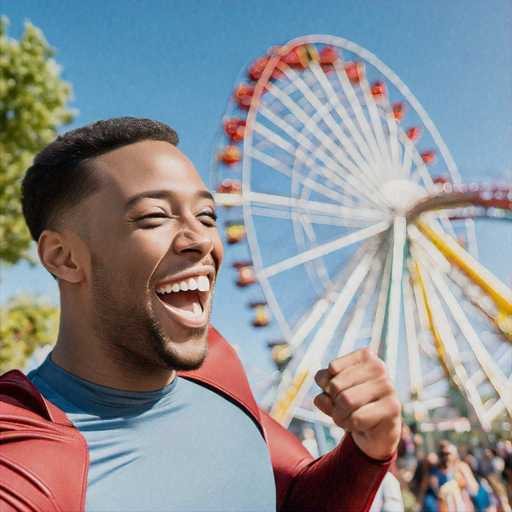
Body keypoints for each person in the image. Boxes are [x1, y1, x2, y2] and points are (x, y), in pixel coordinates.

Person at [0, 117, 402, 512]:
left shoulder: (215, 367)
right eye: (154, 217)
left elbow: (293, 493)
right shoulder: (22, 456)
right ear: (63, 257)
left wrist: (366, 451)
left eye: (207, 216)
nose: (202, 241)